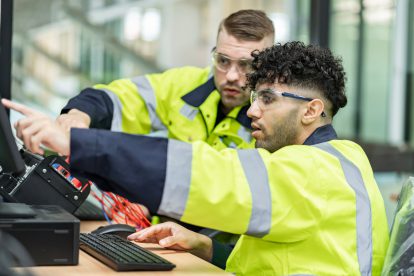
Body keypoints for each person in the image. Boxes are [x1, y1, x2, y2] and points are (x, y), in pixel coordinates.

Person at [3, 41, 389, 275]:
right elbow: (285, 260)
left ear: (311, 111)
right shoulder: (332, 160)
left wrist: (80, 143)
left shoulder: (318, 172)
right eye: (255, 99)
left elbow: (211, 175)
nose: (252, 111)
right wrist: (206, 247)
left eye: (267, 99)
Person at [57, 9, 275, 151]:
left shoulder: (276, 119)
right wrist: (78, 115)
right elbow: (121, 98)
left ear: (266, 66)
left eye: (247, 65)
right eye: (223, 60)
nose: (231, 76)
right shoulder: (184, 84)